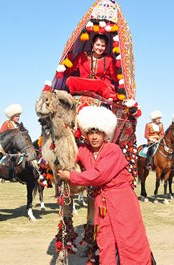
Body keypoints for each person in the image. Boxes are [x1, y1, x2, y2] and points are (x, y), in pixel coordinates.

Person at [57, 106, 153, 264]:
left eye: (98, 133)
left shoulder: (113, 150)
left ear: (104, 134)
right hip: (102, 203)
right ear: (86, 134)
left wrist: (71, 176)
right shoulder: (85, 150)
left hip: (122, 201)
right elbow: (68, 152)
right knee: (104, 241)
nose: (94, 137)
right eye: (91, 133)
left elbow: (98, 176)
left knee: (130, 240)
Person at [64, 34, 118, 101]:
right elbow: (69, 71)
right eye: (98, 45)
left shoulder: (109, 59)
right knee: (70, 80)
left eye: (103, 46)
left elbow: (115, 77)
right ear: (93, 44)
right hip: (85, 84)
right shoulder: (82, 56)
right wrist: (69, 54)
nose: (100, 48)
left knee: (102, 85)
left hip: (101, 86)